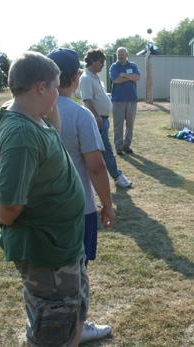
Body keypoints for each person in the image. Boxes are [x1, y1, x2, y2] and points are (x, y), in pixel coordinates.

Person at [0, 51, 89, 347]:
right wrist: (1, 219)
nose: (60, 94)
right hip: (47, 254)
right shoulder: (22, 134)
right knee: (52, 330)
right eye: (56, 87)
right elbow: (8, 206)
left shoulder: (33, 119)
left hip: (61, 248)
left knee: (68, 318)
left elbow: (53, 131)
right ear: (40, 87)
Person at [48, 48, 115, 344]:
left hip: (39, 208)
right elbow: (97, 167)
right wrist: (108, 205)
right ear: (76, 76)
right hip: (78, 209)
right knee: (77, 275)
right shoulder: (80, 114)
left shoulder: (24, 110)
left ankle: (47, 321)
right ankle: (76, 328)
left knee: (47, 274)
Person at [80, 48, 133, 188]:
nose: (104, 65)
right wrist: (97, 117)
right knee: (105, 150)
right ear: (92, 61)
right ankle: (117, 176)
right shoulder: (86, 78)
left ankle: (98, 181)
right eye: (101, 62)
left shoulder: (94, 76)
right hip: (96, 121)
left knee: (102, 151)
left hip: (102, 120)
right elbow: (87, 100)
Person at [110, 47, 140, 155]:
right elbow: (116, 80)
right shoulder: (114, 66)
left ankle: (126, 146)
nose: (120, 56)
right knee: (118, 124)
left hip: (131, 99)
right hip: (118, 100)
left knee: (130, 124)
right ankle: (118, 147)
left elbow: (137, 77)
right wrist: (130, 78)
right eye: (119, 54)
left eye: (122, 54)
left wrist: (124, 75)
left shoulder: (133, 65)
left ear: (126, 55)